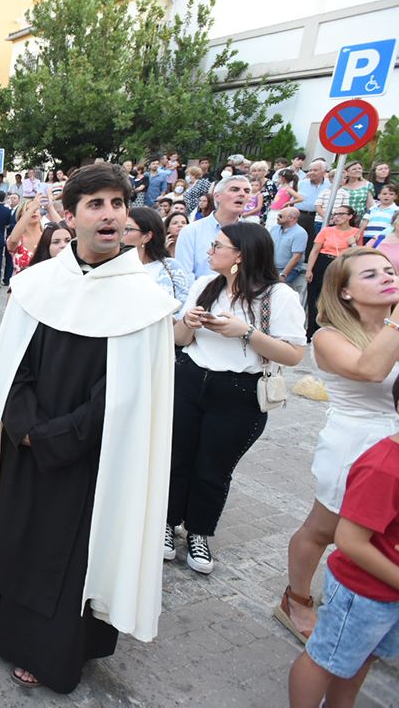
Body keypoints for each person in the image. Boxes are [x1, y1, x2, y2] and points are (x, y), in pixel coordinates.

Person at [0, 163, 178, 693]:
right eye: (96, 204)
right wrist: (25, 430)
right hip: (25, 449)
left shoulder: (144, 301)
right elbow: (12, 369)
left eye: (117, 204)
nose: (110, 214)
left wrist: (53, 438)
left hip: (91, 459)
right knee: (12, 535)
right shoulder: (37, 285)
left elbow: (124, 396)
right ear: (69, 217)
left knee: (65, 555)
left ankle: (49, 654)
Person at [277, 249, 399, 643]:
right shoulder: (329, 336)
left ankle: (362, 605)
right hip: (355, 442)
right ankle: (296, 599)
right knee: (324, 528)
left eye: (389, 270)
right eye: (370, 275)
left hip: (393, 443)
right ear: (344, 292)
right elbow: (370, 370)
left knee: (382, 533)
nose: (385, 277)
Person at [170, 222, 306, 574]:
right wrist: (190, 321)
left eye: (217, 246)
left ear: (240, 256)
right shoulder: (205, 285)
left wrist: (245, 332)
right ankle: (166, 525)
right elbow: (180, 340)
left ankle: (199, 531)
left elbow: (293, 354)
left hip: (239, 393)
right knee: (177, 459)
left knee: (213, 468)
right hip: (189, 380)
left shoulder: (279, 297)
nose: (209, 252)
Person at [286, 386, 399, 708]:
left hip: (390, 595)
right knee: (325, 659)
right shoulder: (385, 468)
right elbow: (349, 541)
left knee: (360, 658)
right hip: (362, 594)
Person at [174, 175, 251, 280]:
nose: (242, 194)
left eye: (246, 191)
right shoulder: (191, 231)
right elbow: (183, 275)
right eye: (234, 190)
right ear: (217, 196)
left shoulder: (251, 233)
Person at [306, 206, 363, 340]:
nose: (336, 217)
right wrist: (309, 269)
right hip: (322, 262)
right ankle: (311, 331)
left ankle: (330, 331)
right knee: (314, 296)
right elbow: (315, 251)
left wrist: (353, 243)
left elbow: (358, 252)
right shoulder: (326, 230)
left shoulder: (356, 232)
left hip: (341, 264)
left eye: (341, 214)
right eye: (335, 214)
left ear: (350, 216)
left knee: (335, 297)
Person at [123, 207, 193, 310]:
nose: (120, 233)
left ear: (147, 236)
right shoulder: (113, 267)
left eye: (127, 229)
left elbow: (184, 308)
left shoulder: (171, 267)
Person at [316, 160, 375, 227]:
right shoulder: (339, 185)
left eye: (359, 168)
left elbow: (370, 205)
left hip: (357, 218)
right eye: (354, 169)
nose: (357, 170)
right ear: (347, 172)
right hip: (339, 217)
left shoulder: (367, 185)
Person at [295, 160, 331, 255]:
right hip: (300, 215)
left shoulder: (330, 185)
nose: (311, 173)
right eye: (310, 170)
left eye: (315, 170)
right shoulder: (301, 183)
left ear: (324, 171)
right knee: (298, 238)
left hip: (318, 217)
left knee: (313, 240)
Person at [270, 207, 309, 289]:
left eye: (280, 216)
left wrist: (284, 274)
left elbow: (296, 257)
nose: (277, 218)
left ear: (291, 218)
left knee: (277, 291)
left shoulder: (300, 233)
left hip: (289, 270)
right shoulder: (274, 229)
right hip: (272, 267)